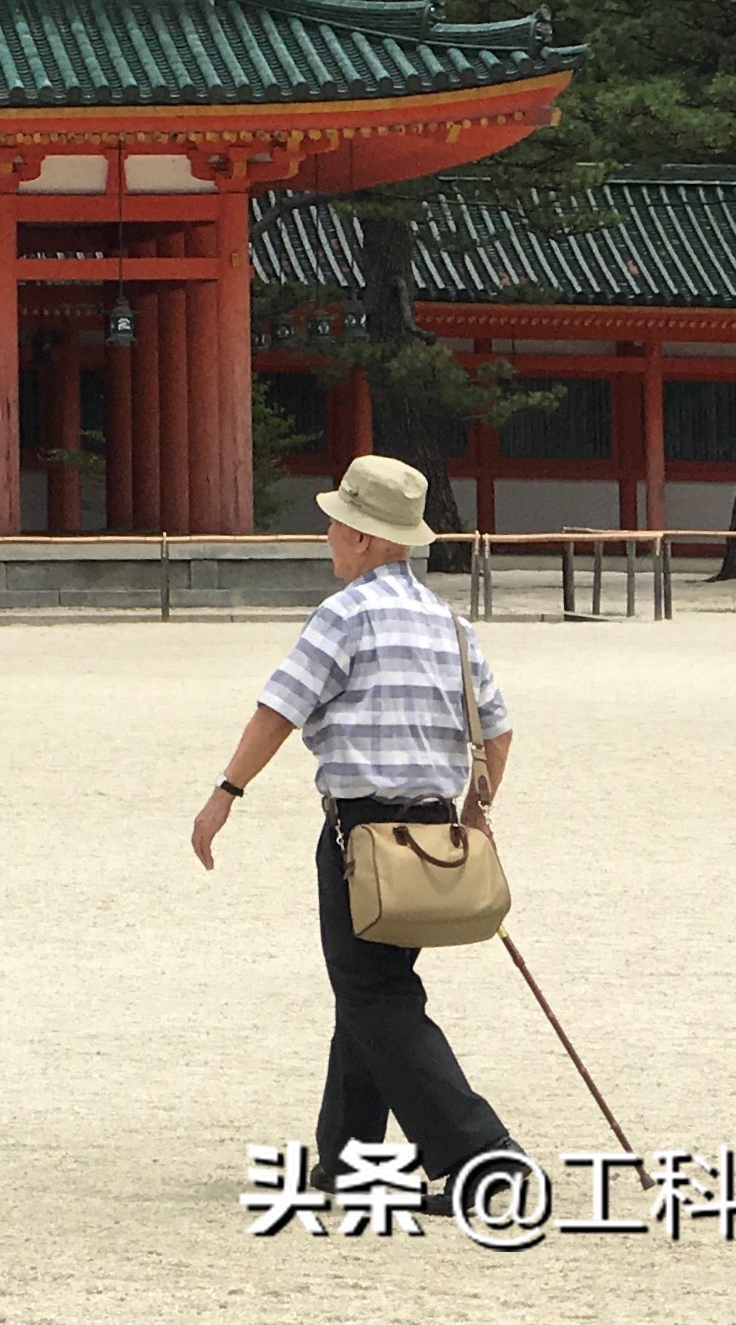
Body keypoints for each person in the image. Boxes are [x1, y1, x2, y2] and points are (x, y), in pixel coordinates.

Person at [189, 452, 518, 1194]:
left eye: (337, 524)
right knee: (370, 987)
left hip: (362, 838)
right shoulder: (450, 624)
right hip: (436, 834)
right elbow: (496, 731)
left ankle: (478, 1152)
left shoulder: (345, 614)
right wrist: (477, 814)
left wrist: (226, 792)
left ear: (365, 538)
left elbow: (282, 707)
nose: (329, 535)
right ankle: (351, 1159)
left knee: (374, 994)